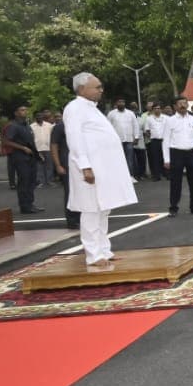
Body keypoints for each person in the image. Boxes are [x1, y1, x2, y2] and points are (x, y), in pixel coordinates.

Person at [63, 73, 138, 264]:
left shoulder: (93, 109)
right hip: (89, 170)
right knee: (90, 210)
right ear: (81, 89)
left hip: (103, 169)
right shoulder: (74, 108)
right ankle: (93, 255)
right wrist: (85, 167)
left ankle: (104, 250)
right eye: (97, 87)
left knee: (103, 209)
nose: (101, 90)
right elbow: (75, 139)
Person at [163, 96, 193, 217]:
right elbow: (166, 140)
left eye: (184, 103)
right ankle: (173, 207)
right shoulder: (170, 120)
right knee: (175, 182)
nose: (182, 105)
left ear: (187, 105)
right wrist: (167, 159)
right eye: (179, 103)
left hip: (192, 152)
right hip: (176, 153)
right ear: (175, 106)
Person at [2, 105, 43, 213]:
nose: (25, 112)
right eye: (22, 110)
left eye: (26, 110)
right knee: (24, 181)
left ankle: (30, 204)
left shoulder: (27, 126)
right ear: (16, 113)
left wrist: (37, 154)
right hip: (19, 157)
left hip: (30, 157)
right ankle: (24, 207)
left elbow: (31, 142)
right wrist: (22, 148)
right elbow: (6, 141)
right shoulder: (13, 126)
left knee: (31, 181)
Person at [49, 114, 80, 229]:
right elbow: (53, 145)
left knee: (82, 192)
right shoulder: (60, 126)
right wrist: (57, 165)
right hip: (67, 164)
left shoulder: (80, 125)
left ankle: (82, 217)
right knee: (70, 192)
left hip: (81, 164)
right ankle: (72, 220)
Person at [106, 98, 140, 183]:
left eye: (123, 102)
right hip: (117, 141)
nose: (121, 103)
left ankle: (130, 176)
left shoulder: (130, 113)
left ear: (125, 103)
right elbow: (107, 127)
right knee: (118, 158)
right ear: (116, 103)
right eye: (119, 102)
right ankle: (119, 176)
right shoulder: (111, 114)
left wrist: (136, 137)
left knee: (130, 159)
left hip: (129, 140)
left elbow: (135, 125)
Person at [32, 109, 55, 188]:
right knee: (39, 166)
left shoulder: (49, 125)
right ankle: (40, 182)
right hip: (37, 149)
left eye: (40, 115)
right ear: (35, 117)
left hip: (48, 148)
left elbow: (53, 136)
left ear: (43, 116)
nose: (39, 117)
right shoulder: (31, 126)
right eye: (37, 116)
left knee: (49, 165)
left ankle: (50, 181)